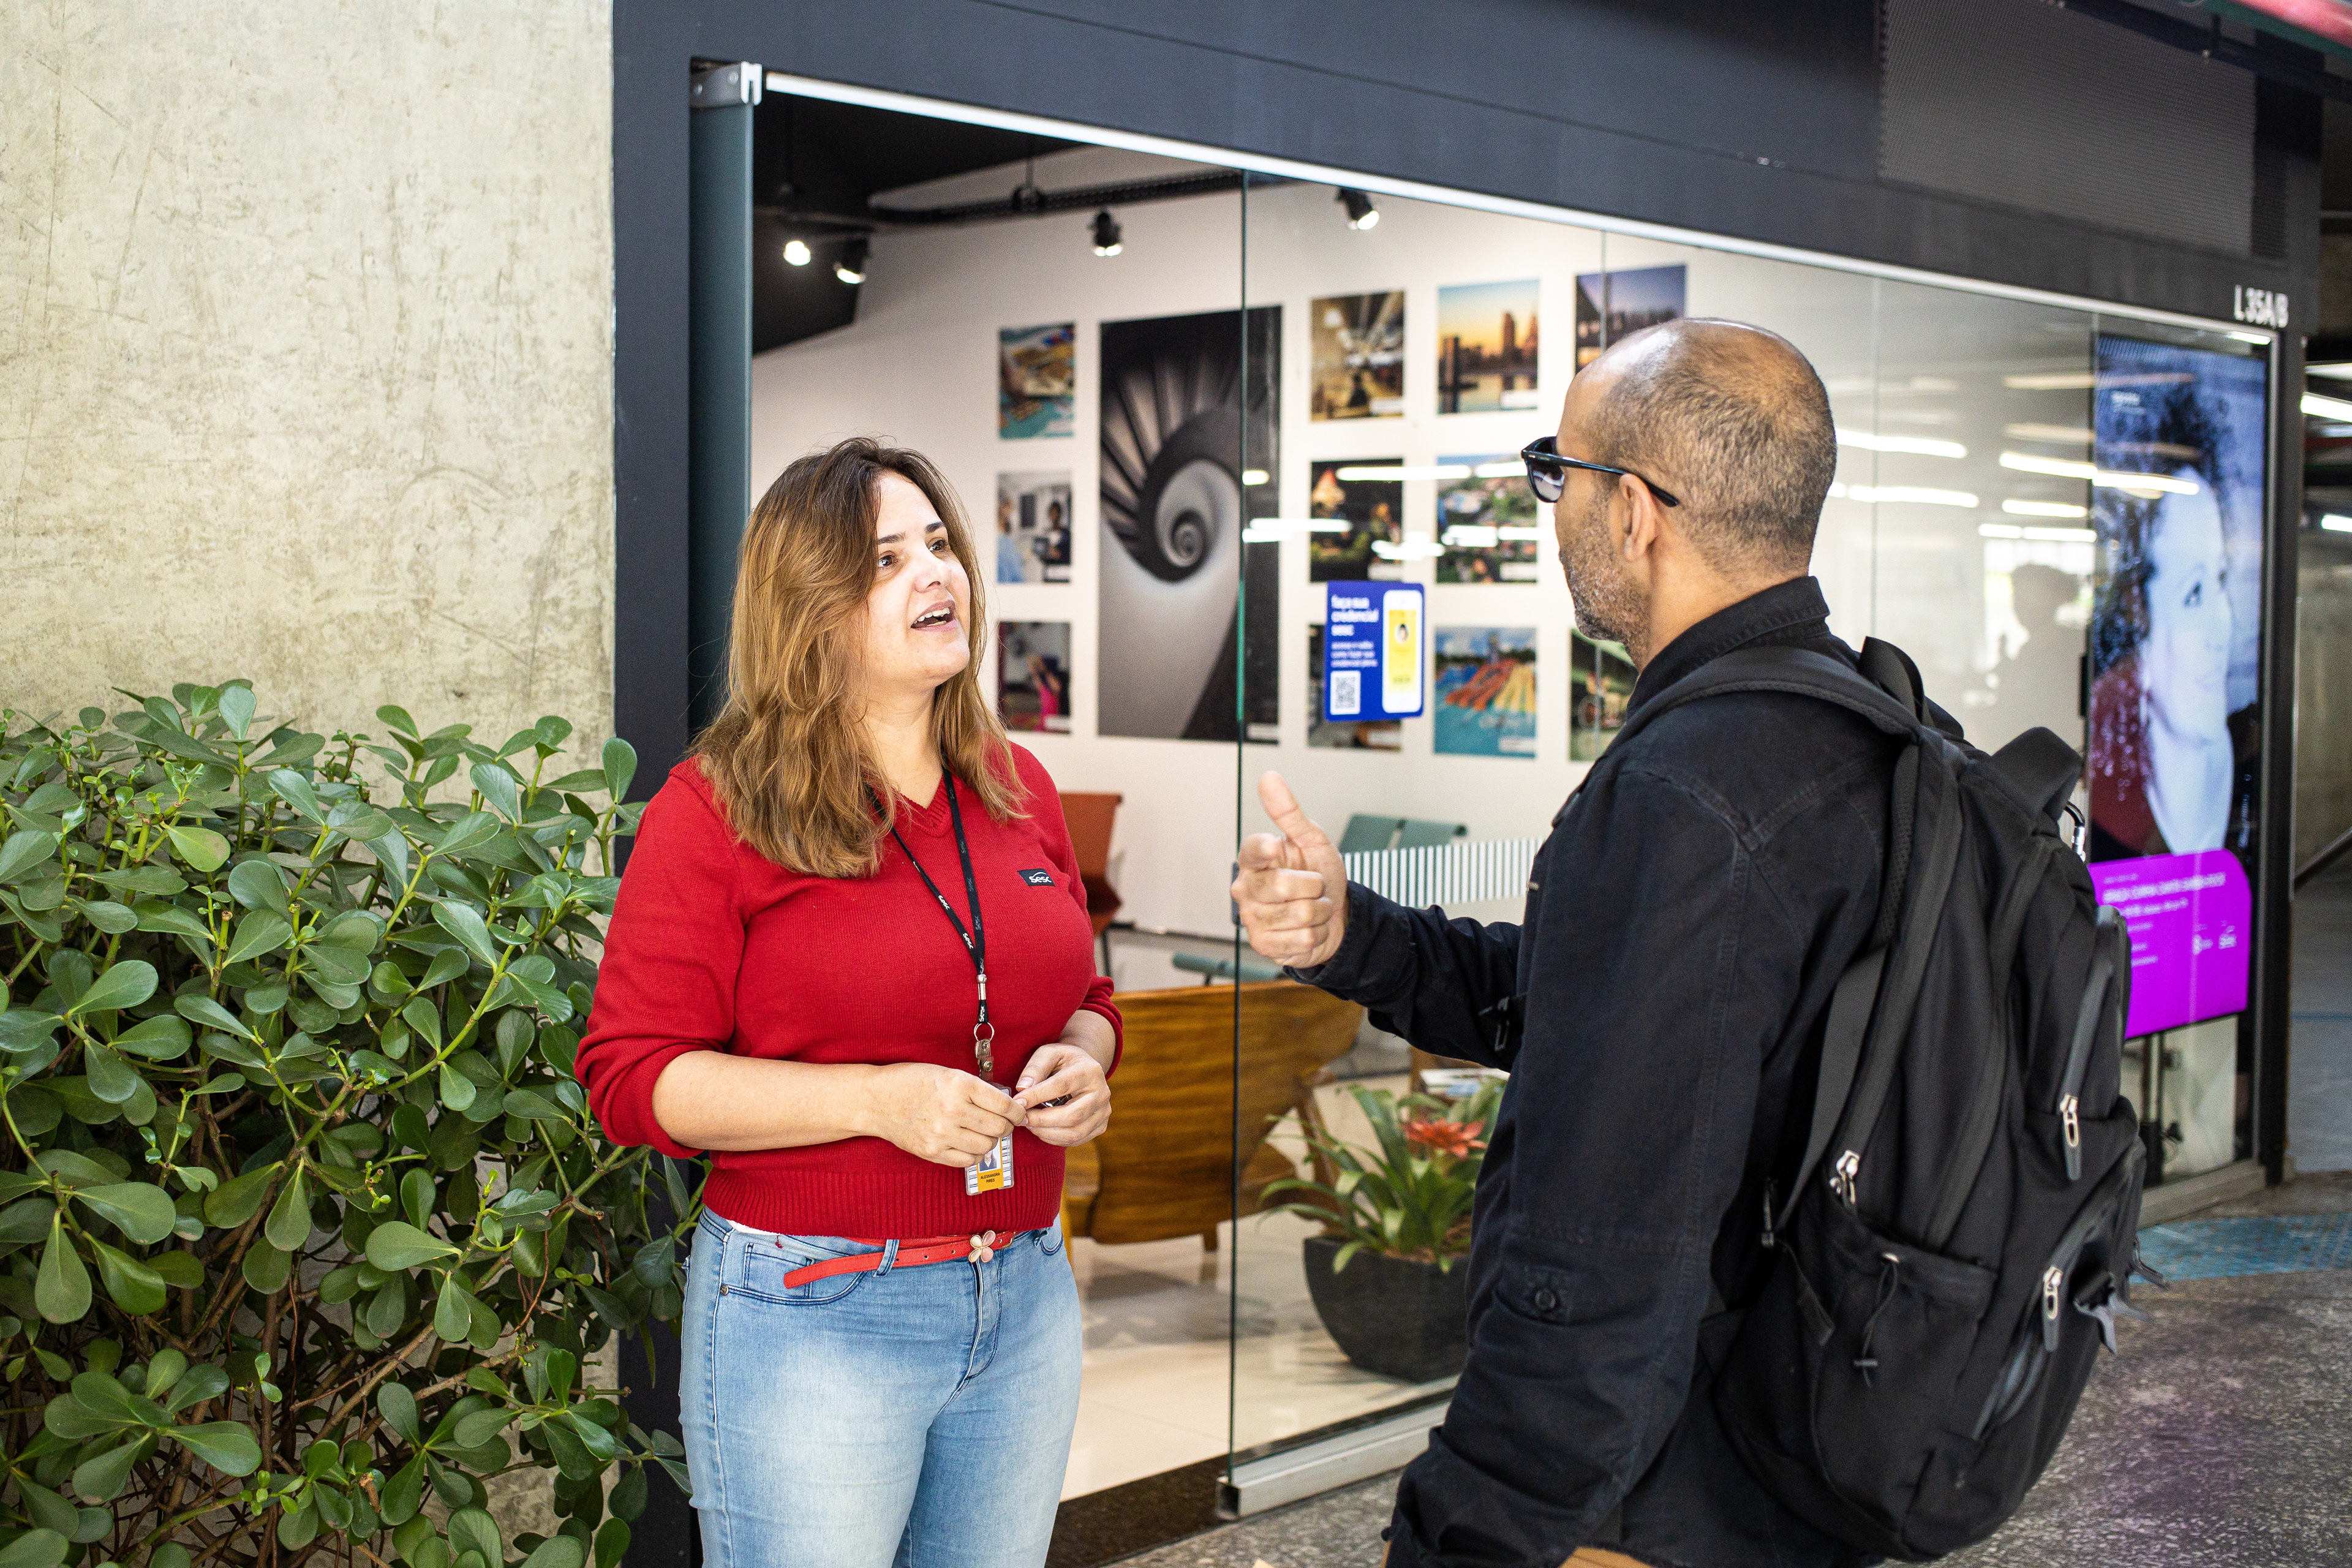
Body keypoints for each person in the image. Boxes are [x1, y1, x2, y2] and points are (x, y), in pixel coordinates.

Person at [1235, 320, 1902, 1568]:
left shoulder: (1687, 790)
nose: (1555, 511)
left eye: (1561, 472)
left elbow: (1602, 1257)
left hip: (1667, 1491)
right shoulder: (1864, 732)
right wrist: (1352, 932)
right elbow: (1593, 1007)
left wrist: (1468, 1525)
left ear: (1638, 510)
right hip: (1814, 1444)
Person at [576, 437, 1120, 1568]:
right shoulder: (715, 807)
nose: (936, 573)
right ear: (812, 614)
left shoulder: (1018, 788)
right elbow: (631, 1076)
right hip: (817, 1310)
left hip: (1023, 1296)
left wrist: (1084, 1053)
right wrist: (877, 1103)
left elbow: (1088, 992)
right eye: (885, 560)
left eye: (938, 543)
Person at [2088, 453, 2249, 858]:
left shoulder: (2247, 780)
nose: (2220, 630)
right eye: (2193, 594)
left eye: (2221, 579)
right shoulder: (2107, 770)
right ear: (2136, 607)